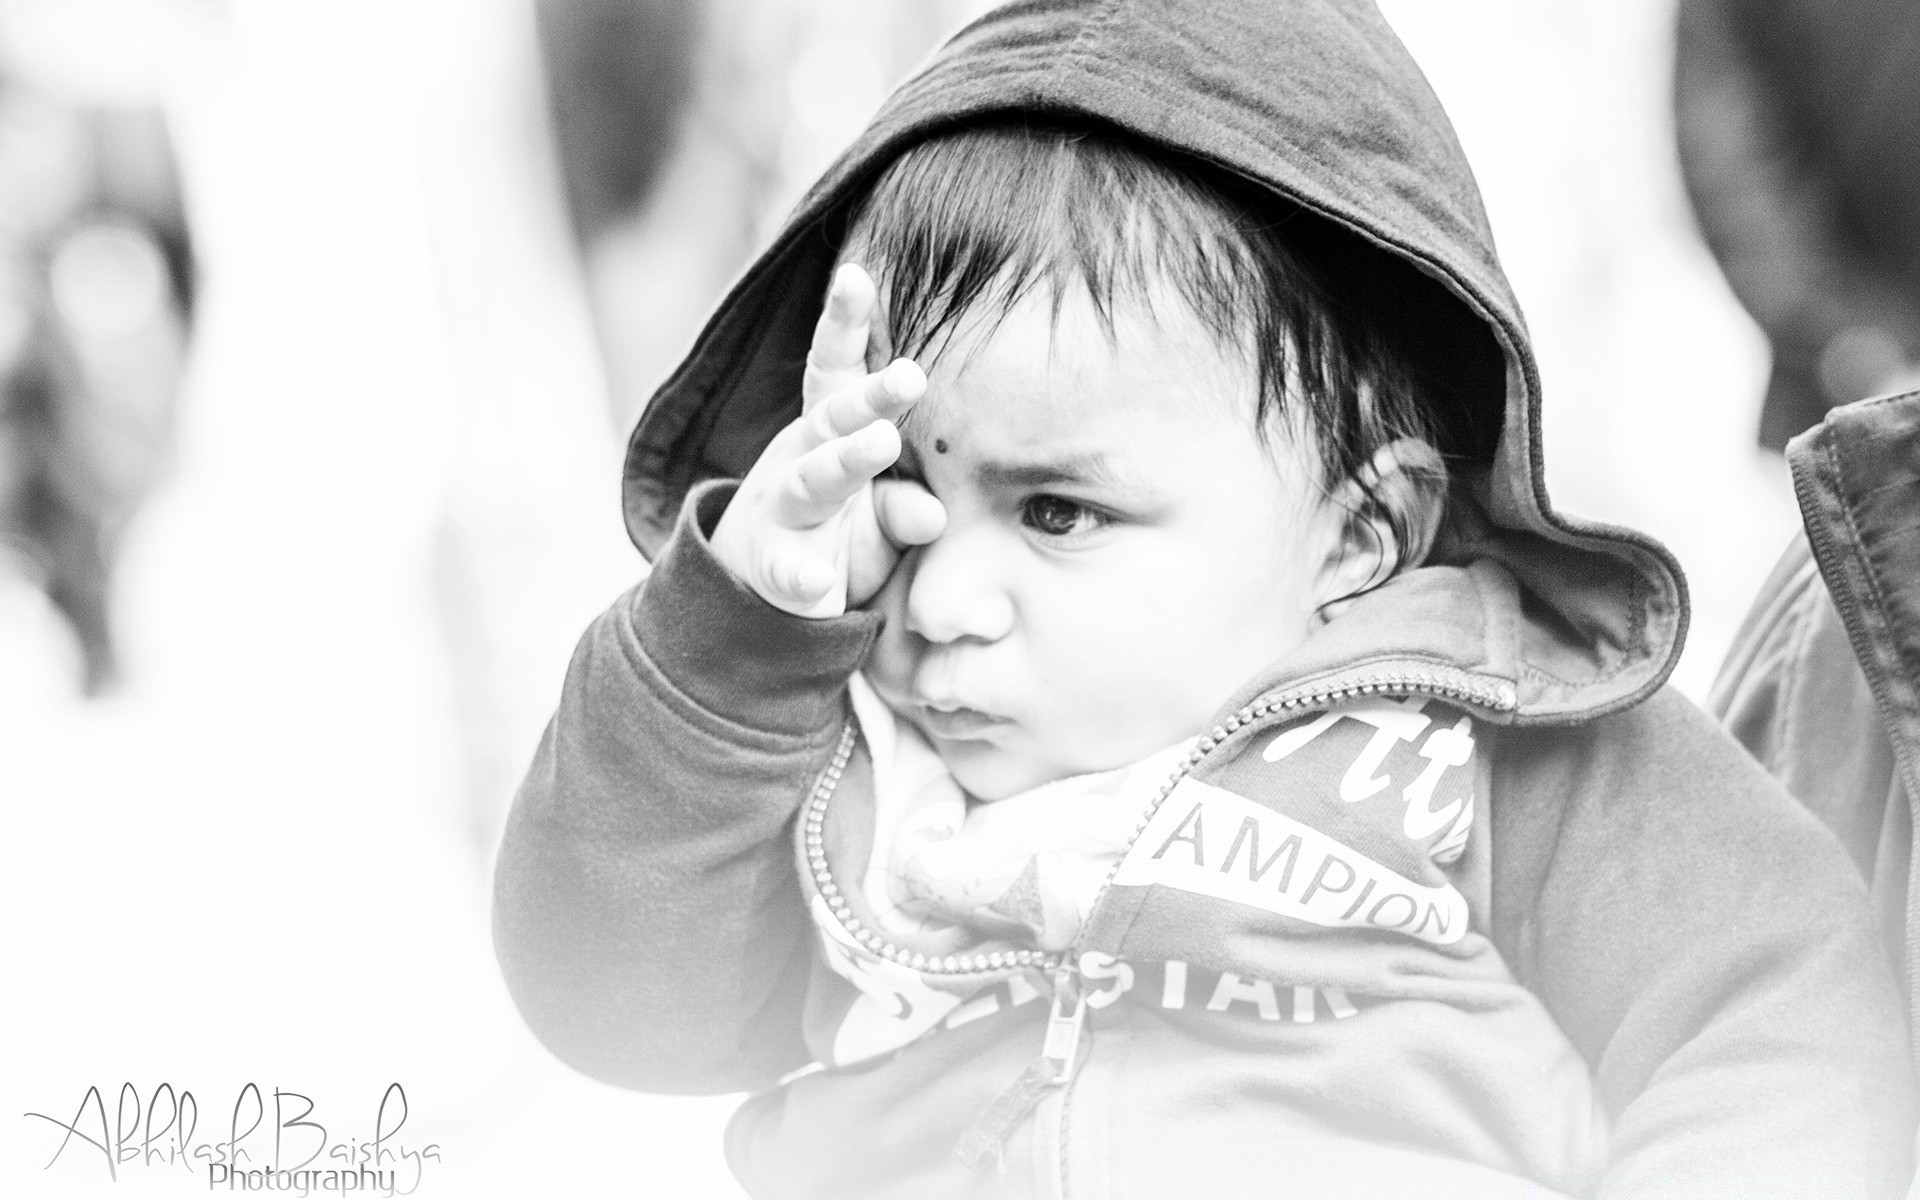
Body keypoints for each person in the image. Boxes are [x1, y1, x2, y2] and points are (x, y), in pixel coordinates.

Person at [493, 1, 1916, 1194]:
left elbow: (1779, 1021)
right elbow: (609, 1000)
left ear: (1361, 537)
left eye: (1058, 512)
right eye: (910, 511)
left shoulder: (1502, 734)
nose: (943, 602)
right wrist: (737, 643)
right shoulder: (847, 756)